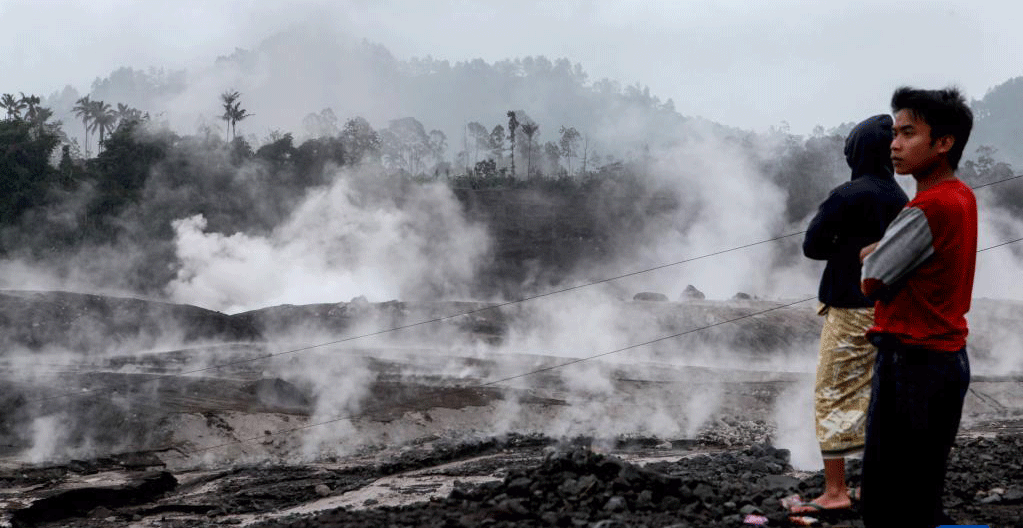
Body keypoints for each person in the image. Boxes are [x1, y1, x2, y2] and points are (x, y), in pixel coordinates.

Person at [859, 86, 975, 528]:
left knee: (888, 501)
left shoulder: (928, 205)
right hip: (946, 358)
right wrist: (885, 249)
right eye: (894, 133)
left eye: (909, 133)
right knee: (922, 491)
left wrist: (870, 254)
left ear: (943, 143)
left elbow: (872, 280)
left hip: (912, 363)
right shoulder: (961, 195)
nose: (895, 144)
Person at [793, 114, 909, 514]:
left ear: (856, 152)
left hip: (849, 308)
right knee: (875, 397)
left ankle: (836, 491)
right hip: (887, 309)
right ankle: (871, 486)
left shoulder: (848, 194)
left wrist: (848, 249)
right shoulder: (900, 197)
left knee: (833, 393)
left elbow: (812, 246)